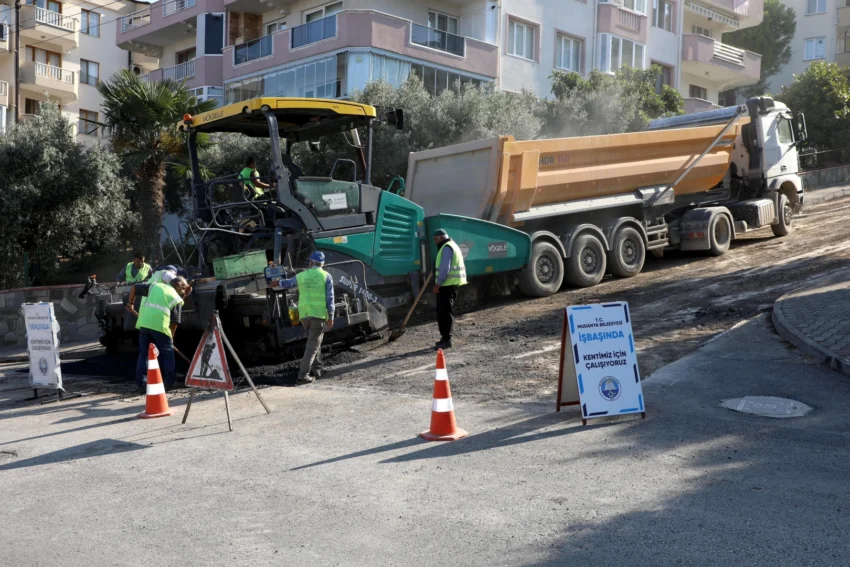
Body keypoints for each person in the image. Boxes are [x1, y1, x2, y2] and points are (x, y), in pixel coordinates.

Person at [274, 251, 335, 385]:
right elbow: (330, 299)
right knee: (312, 346)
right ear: (322, 263)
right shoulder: (326, 276)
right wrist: (331, 315)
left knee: (314, 342)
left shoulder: (301, 275)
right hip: (318, 315)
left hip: (304, 316)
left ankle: (318, 370)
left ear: (311, 262)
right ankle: (303, 376)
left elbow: (287, 284)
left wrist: (275, 282)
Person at [126, 276, 192, 394]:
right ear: (179, 287)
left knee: (144, 354)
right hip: (160, 326)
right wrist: (171, 339)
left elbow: (134, 287)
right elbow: (174, 323)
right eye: (183, 288)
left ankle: (142, 384)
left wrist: (130, 303)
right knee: (168, 353)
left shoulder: (155, 286)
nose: (183, 291)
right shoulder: (176, 298)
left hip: (144, 323)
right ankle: (168, 383)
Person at [432, 229, 467, 350]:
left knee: (445, 313)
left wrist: (438, 284)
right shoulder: (452, 245)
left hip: (446, 285)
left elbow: (444, 268)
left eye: (435, 239)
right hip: (449, 285)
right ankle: (444, 338)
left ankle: (447, 340)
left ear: (440, 238)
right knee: (443, 312)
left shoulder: (446, 247)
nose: (434, 242)